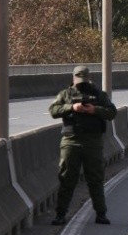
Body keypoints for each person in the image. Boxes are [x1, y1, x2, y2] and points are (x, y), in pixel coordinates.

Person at [49, 66, 117, 225]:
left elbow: (112, 112)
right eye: (79, 82)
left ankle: (101, 214)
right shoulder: (65, 94)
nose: (81, 85)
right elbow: (53, 110)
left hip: (93, 142)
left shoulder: (99, 94)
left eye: (84, 81)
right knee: (67, 178)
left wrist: (94, 110)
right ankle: (60, 214)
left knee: (95, 179)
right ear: (73, 78)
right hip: (71, 141)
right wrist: (71, 107)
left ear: (89, 78)